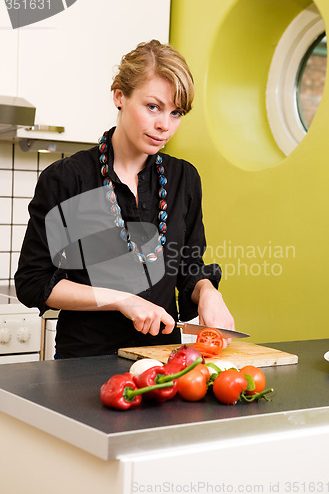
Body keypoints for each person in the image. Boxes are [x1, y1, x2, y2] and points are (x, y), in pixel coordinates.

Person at [14, 40, 235, 359]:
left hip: (162, 359)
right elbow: (34, 282)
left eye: (176, 113)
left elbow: (188, 265)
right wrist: (123, 300)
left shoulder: (183, 179)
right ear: (119, 95)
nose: (165, 126)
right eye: (153, 107)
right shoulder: (68, 178)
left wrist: (207, 293)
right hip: (85, 362)